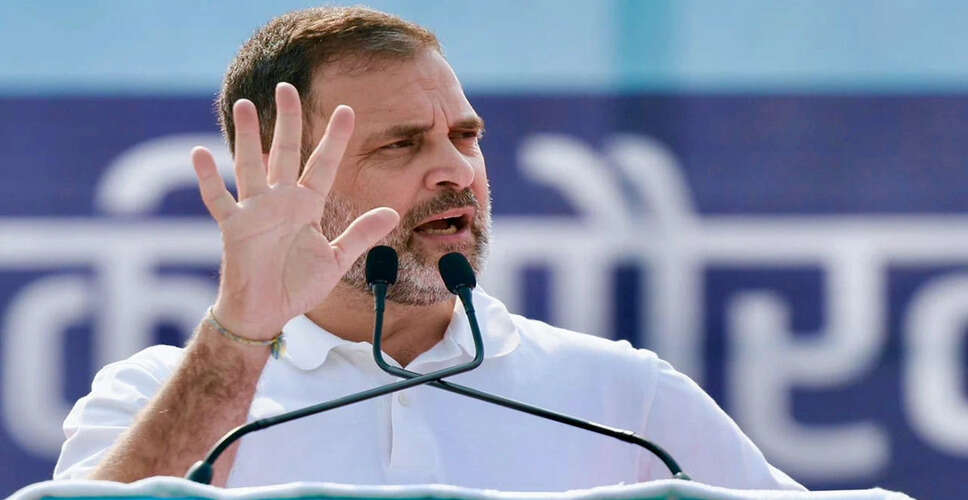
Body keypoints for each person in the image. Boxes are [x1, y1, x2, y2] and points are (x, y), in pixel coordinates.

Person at [53, 6, 802, 491]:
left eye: (465, 137)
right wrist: (242, 335)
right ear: (286, 173)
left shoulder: (621, 395)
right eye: (402, 144)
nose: (456, 171)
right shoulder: (150, 394)